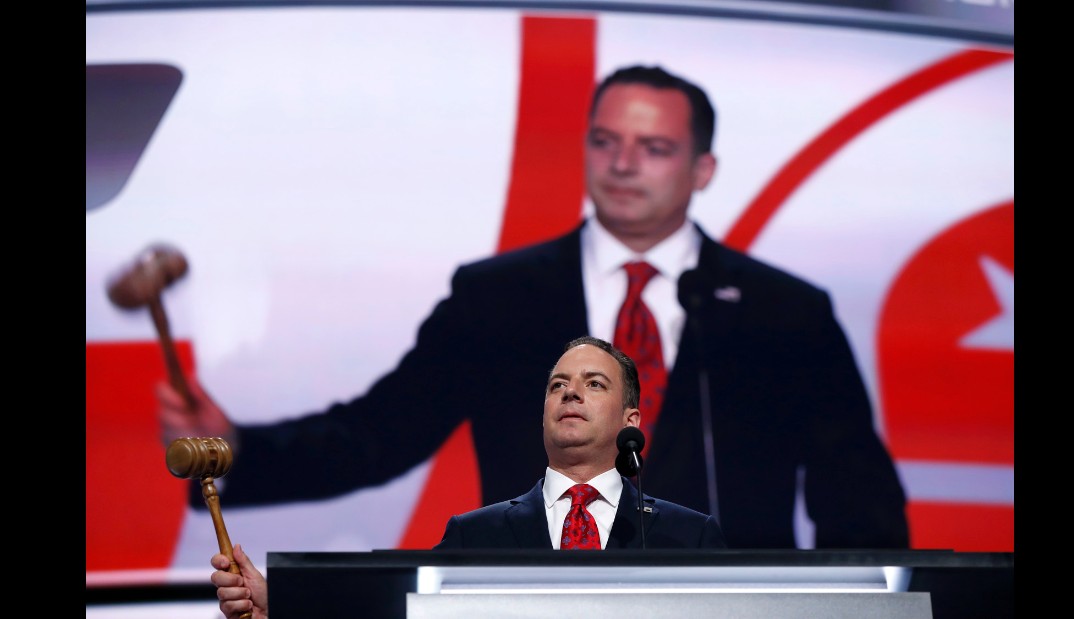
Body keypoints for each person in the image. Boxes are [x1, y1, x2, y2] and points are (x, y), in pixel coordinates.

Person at [160, 64, 909, 549]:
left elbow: (859, 503)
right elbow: (379, 433)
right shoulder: (498, 297)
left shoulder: (785, 312)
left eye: (653, 148)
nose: (621, 164)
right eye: (605, 140)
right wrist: (234, 450)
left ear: (703, 167)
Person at [207, 337, 725, 619]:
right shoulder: (475, 535)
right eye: (557, 385)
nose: (571, 394)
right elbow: (397, 611)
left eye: (593, 384)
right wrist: (282, 605)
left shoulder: (688, 535)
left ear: (631, 421)